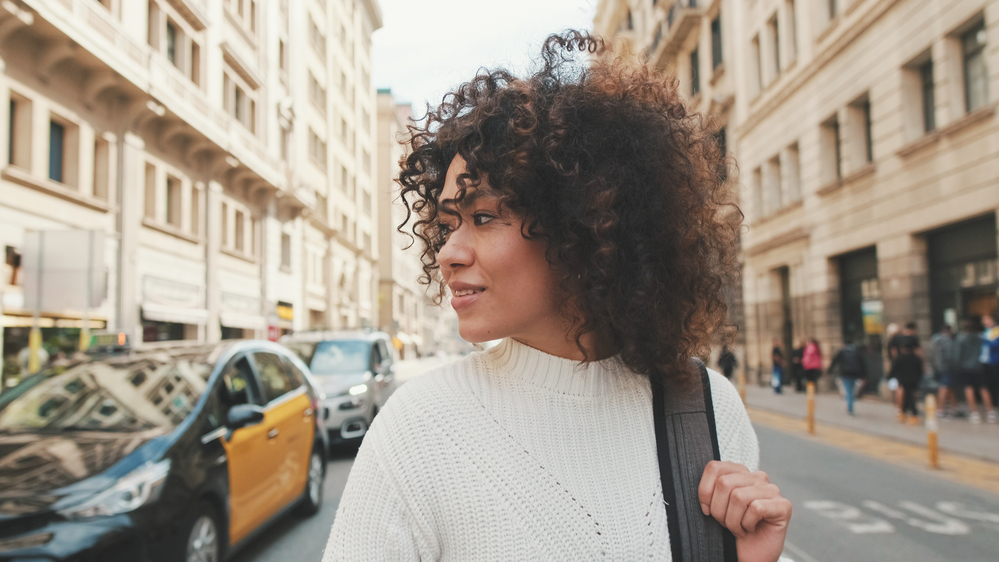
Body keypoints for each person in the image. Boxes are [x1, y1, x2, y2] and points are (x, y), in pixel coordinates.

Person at [322, 32, 791, 561]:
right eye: (448, 223)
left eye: (482, 217)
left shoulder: (707, 413)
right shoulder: (417, 428)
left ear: (581, 226)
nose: (448, 252)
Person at [953, 318, 990, 424]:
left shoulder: (961, 339)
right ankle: (990, 411)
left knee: (969, 389)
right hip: (979, 366)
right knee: (983, 388)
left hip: (966, 367)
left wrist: (957, 366)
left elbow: (957, 355)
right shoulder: (980, 338)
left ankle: (974, 413)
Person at [828, 339, 868, 415]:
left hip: (845, 374)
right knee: (852, 390)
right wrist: (864, 376)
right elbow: (863, 364)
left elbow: (835, 361)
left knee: (849, 391)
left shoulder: (842, 352)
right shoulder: (857, 352)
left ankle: (850, 409)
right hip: (855, 374)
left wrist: (829, 371)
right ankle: (851, 406)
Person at [890, 342, 923, 425]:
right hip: (914, 381)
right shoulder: (916, 358)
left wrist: (891, 377)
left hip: (904, 381)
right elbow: (920, 370)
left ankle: (912, 413)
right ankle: (905, 412)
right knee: (910, 396)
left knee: (908, 397)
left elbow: (894, 369)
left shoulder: (899, 358)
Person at [929, 324, 957, 417]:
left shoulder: (934, 339)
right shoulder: (947, 340)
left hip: (937, 367)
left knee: (948, 387)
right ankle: (940, 409)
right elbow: (949, 355)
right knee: (944, 387)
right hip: (946, 367)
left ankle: (954, 407)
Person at [980, 313, 999, 423]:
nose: (984, 321)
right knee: (988, 385)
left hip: (995, 362)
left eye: (986, 319)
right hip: (985, 362)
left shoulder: (996, 330)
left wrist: (984, 341)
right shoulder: (985, 332)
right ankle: (991, 407)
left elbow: (995, 345)